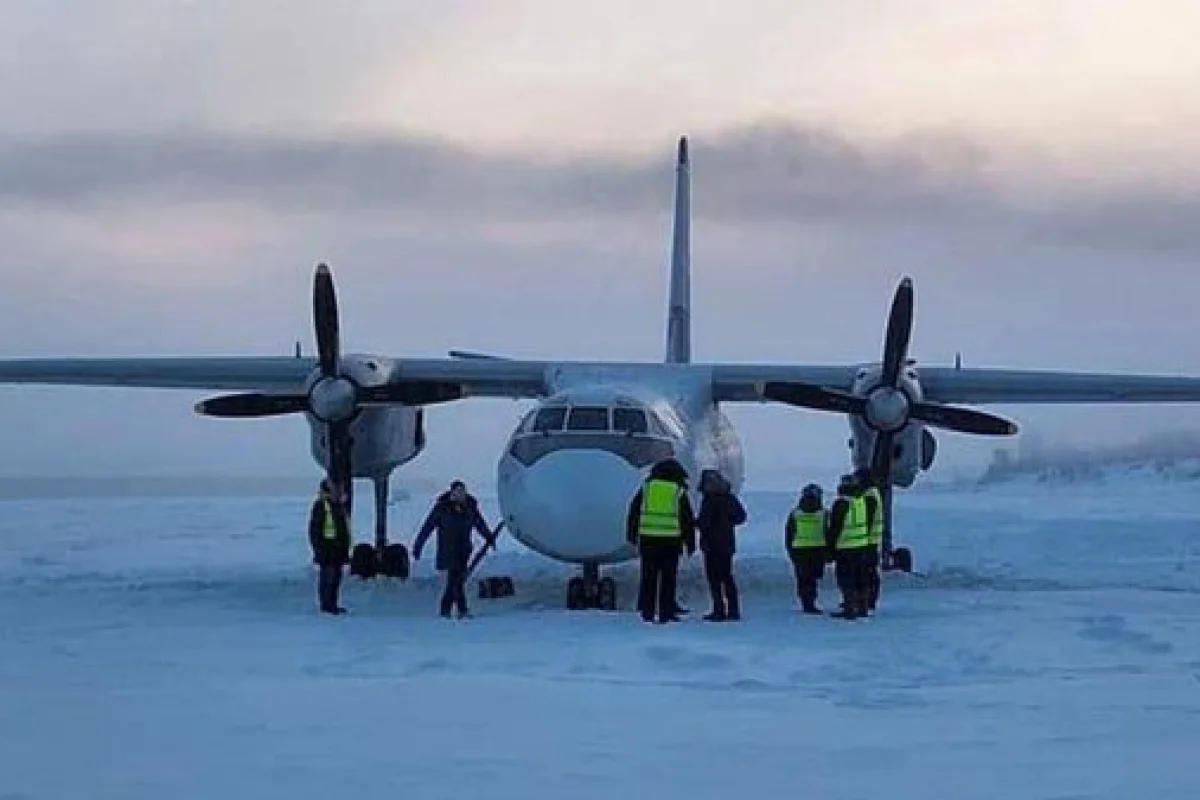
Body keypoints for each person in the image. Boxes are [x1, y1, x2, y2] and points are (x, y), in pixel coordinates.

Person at [625, 458, 697, 624]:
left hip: (648, 541)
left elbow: (634, 512)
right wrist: (690, 542)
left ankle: (647, 611)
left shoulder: (647, 488)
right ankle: (666, 612)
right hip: (671, 543)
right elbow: (686, 519)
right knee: (668, 579)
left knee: (648, 577)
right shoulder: (678, 491)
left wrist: (632, 534)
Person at [412, 480, 496, 618]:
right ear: (452, 492)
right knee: (455, 580)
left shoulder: (470, 507)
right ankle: (461, 610)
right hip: (448, 549)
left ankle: (445, 609)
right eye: (457, 492)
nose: (460, 495)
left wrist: (489, 537)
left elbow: (479, 523)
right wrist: (418, 546)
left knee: (456, 581)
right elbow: (427, 527)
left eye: (462, 492)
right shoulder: (442, 508)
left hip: (464, 550)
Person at [696, 469, 746, 621]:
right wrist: (727, 523)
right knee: (727, 576)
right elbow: (741, 517)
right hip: (726, 543)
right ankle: (733, 609)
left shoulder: (709, 499)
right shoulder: (728, 497)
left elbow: (705, 522)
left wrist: (696, 523)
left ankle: (718, 610)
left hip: (711, 544)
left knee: (714, 578)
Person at [825, 474, 872, 619]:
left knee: (846, 578)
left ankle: (850, 608)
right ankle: (863, 607)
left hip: (845, 547)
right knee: (860, 577)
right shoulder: (861, 501)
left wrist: (830, 549)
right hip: (861, 546)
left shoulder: (842, 503)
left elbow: (835, 528)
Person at [308, 479, 352, 615]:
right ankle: (326, 605)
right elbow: (314, 530)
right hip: (327, 549)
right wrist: (318, 550)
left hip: (338, 550)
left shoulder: (338, 506)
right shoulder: (321, 506)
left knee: (336, 579)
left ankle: (333, 603)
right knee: (328, 577)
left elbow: (343, 530)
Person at [785, 482, 828, 614]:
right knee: (813, 578)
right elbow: (829, 532)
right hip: (818, 549)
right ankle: (811, 601)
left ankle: (806, 602)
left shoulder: (795, 513)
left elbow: (789, 533)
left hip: (799, 549)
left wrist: (790, 551)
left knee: (803, 578)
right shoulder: (824, 513)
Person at [855, 468, 885, 613]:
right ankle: (867, 600)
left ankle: (867, 600)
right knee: (869, 572)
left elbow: (866, 520)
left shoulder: (869, 496)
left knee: (867, 572)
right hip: (872, 540)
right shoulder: (874, 493)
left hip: (868, 541)